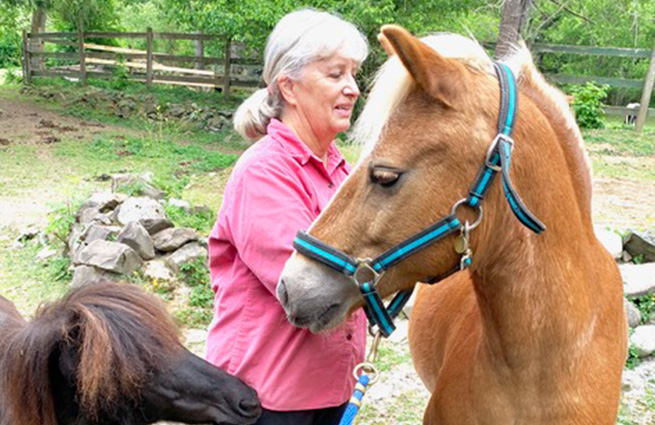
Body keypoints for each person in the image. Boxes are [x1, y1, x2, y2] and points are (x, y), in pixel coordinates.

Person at [205, 9, 369, 425]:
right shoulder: (264, 170)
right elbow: (312, 284)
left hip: (332, 386)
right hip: (268, 398)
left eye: (354, 74)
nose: (352, 89)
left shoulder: (340, 171)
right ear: (290, 87)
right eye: (335, 74)